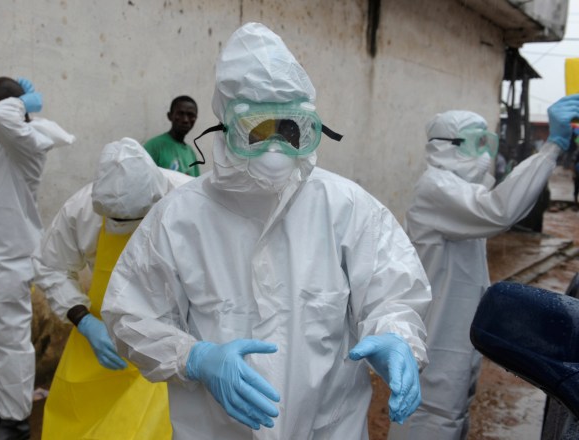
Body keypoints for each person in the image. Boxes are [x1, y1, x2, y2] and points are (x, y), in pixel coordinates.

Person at [102, 22, 431, 440]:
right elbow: (129, 313)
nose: (275, 147)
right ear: (227, 125)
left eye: (289, 128)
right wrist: (194, 357)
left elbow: (393, 292)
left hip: (330, 428)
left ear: (309, 128)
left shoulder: (346, 206)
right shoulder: (178, 217)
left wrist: (395, 336)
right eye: (257, 129)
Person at [388, 96, 579, 440]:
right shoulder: (437, 188)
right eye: (478, 143)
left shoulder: (459, 191)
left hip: (457, 333)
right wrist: (552, 147)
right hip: (439, 337)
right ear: (447, 146)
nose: (485, 154)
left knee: (451, 416)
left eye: (487, 142)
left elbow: (501, 203)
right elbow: (500, 211)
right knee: (432, 418)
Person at [33, 138, 192, 439]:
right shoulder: (80, 210)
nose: (125, 227)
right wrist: (84, 321)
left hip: (173, 335)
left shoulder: (188, 198)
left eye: (135, 219)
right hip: (105, 334)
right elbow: (50, 266)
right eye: (117, 220)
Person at [0, 77, 75, 440]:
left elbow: (0, 114)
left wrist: (22, 101)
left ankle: (16, 421)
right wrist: (15, 104)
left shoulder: (26, 139)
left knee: (10, 340)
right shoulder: (7, 139)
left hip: (7, 258)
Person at [143, 95, 200, 177]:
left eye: (190, 115)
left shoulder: (191, 153)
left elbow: (195, 185)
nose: (185, 120)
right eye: (180, 113)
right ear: (170, 116)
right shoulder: (154, 146)